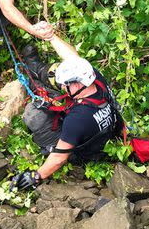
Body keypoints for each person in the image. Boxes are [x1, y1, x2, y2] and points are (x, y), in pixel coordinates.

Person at [10, 35, 124, 191]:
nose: (63, 87)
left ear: (77, 84)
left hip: (83, 151)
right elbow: (73, 58)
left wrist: (35, 176)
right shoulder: (95, 78)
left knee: (33, 115)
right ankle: (35, 71)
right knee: (52, 85)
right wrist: (51, 36)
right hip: (103, 132)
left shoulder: (77, 119)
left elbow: (59, 158)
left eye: (66, 84)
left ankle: (49, 144)